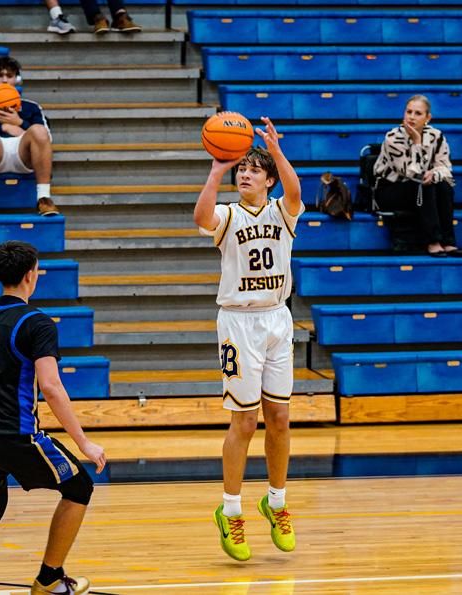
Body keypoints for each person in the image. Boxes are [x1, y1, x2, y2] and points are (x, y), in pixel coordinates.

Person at [194, 117, 302, 562]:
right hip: (238, 324)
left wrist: (275, 151)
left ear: (268, 179)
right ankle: (231, 511)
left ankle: (276, 503)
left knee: (280, 417)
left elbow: (295, 192)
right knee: (244, 422)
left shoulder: (281, 211)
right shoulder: (228, 214)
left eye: (253, 170)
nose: (245, 174)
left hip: (277, 318)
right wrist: (216, 170)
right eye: (242, 169)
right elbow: (201, 218)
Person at [0, 241, 106, 595]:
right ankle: (49, 579)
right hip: (16, 435)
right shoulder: (36, 323)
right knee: (79, 487)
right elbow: (51, 386)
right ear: (30, 275)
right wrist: (84, 442)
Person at [373, 94, 462, 257]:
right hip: (390, 189)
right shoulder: (393, 138)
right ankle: (432, 241)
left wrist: (434, 173)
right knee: (425, 186)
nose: (411, 117)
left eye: (418, 113)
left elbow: (446, 168)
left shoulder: (436, 136)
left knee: (444, 185)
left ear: (428, 118)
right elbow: (411, 173)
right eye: (409, 112)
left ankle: (448, 241)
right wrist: (417, 142)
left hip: (419, 187)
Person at [0, 56, 59, 217]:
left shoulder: (31, 107)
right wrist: (3, 127)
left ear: (17, 79)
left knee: (38, 130)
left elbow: (47, 140)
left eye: (9, 76)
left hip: (23, 155)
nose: (4, 80)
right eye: (0, 75)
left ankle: (44, 198)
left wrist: (20, 123)